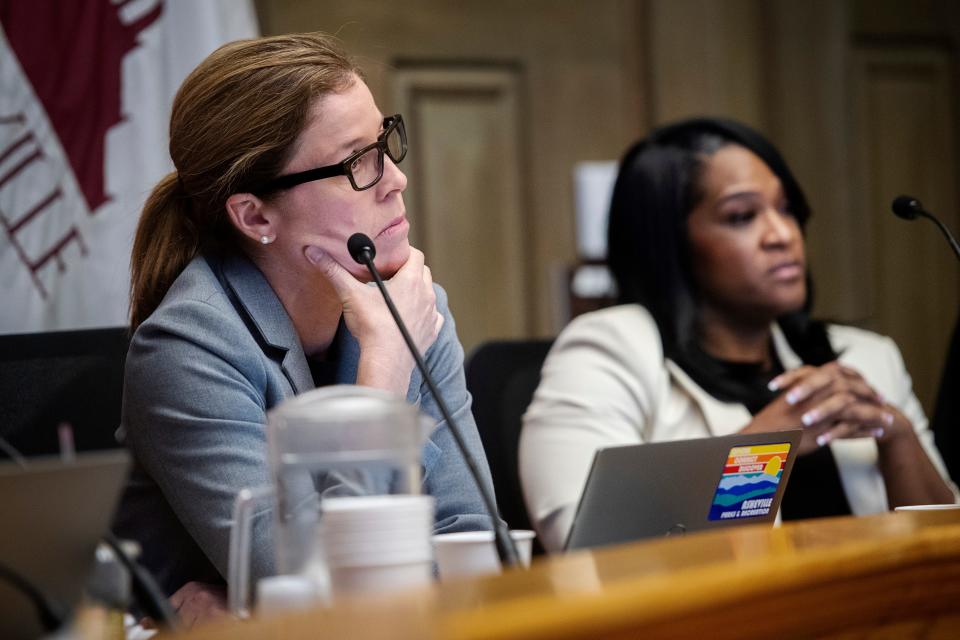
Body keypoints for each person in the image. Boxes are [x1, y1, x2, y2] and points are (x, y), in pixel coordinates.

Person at [112, 32, 497, 619]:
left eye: (384, 144)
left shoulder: (413, 307)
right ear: (255, 214)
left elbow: (475, 549)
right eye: (356, 163)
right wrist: (386, 374)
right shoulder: (187, 349)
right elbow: (319, 597)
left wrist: (252, 605)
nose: (395, 179)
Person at [520, 117, 958, 552]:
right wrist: (759, 455)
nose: (783, 235)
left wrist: (895, 434)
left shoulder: (866, 359)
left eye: (786, 209)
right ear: (671, 243)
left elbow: (945, 560)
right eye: (742, 216)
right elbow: (593, 554)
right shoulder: (607, 352)